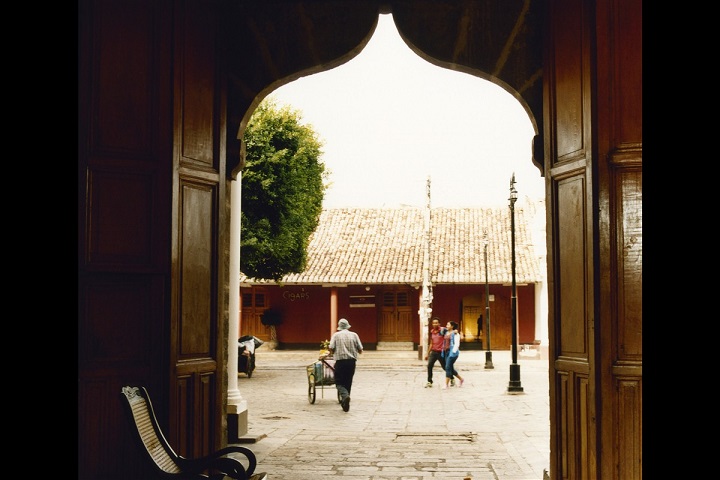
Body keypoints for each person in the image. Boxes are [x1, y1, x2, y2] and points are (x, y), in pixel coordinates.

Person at [328, 318, 363, 412]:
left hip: (340, 362)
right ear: (348, 326)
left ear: (339, 327)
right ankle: (345, 404)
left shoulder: (335, 335)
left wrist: (333, 352)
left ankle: (345, 396)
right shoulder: (354, 335)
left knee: (339, 382)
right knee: (348, 381)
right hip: (351, 362)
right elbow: (360, 350)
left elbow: (331, 348)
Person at [424, 317, 447, 388]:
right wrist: (427, 353)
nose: (435, 324)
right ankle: (429, 381)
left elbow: (450, 331)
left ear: (439, 323)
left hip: (441, 352)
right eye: (433, 323)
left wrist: (455, 332)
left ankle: (451, 377)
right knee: (429, 366)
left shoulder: (443, 330)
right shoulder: (432, 332)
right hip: (433, 352)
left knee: (445, 367)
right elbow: (431, 343)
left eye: (436, 323)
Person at [441, 321, 465, 389]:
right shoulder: (445, 332)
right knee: (450, 368)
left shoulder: (455, 334)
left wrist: (453, 352)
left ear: (452, 326)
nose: (446, 325)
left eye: (448, 325)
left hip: (452, 352)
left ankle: (446, 384)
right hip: (446, 351)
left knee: (447, 367)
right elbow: (441, 331)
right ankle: (461, 379)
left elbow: (457, 344)